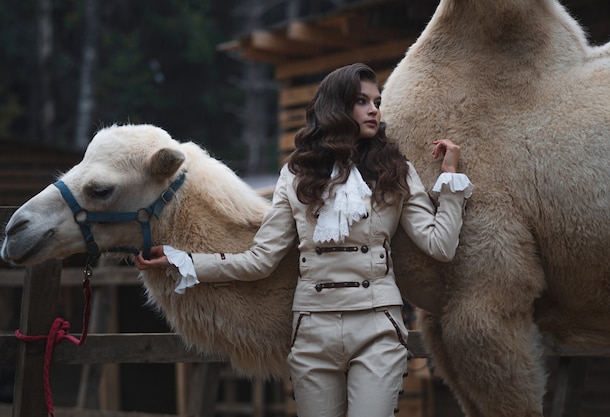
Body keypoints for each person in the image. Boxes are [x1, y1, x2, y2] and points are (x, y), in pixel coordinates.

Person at [135, 63, 473, 417]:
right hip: (312, 330)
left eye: (377, 100)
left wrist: (450, 182)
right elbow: (259, 260)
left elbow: (441, 245)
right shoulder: (296, 175)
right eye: (362, 100)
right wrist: (184, 261)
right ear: (336, 107)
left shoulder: (396, 170)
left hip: (377, 325)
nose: (375, 109)